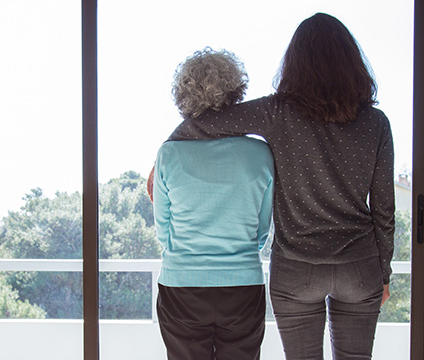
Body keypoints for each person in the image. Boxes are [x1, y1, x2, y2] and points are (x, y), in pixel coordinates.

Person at [154, 13, 395, 360]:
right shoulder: (376, 122)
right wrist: (383, 272)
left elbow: (208, 121)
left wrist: (167, 151)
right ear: (353, 62)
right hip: (358, 267)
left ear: (294, 65)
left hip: (297, 269)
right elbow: (384, 209)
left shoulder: (277, 112)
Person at [152, 48, 274, 360]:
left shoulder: (168, 154)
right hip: (243, 285)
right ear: (236, 93)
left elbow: (164, 233)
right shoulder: (260, 154)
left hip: (181, 287)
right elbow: (262, 231)